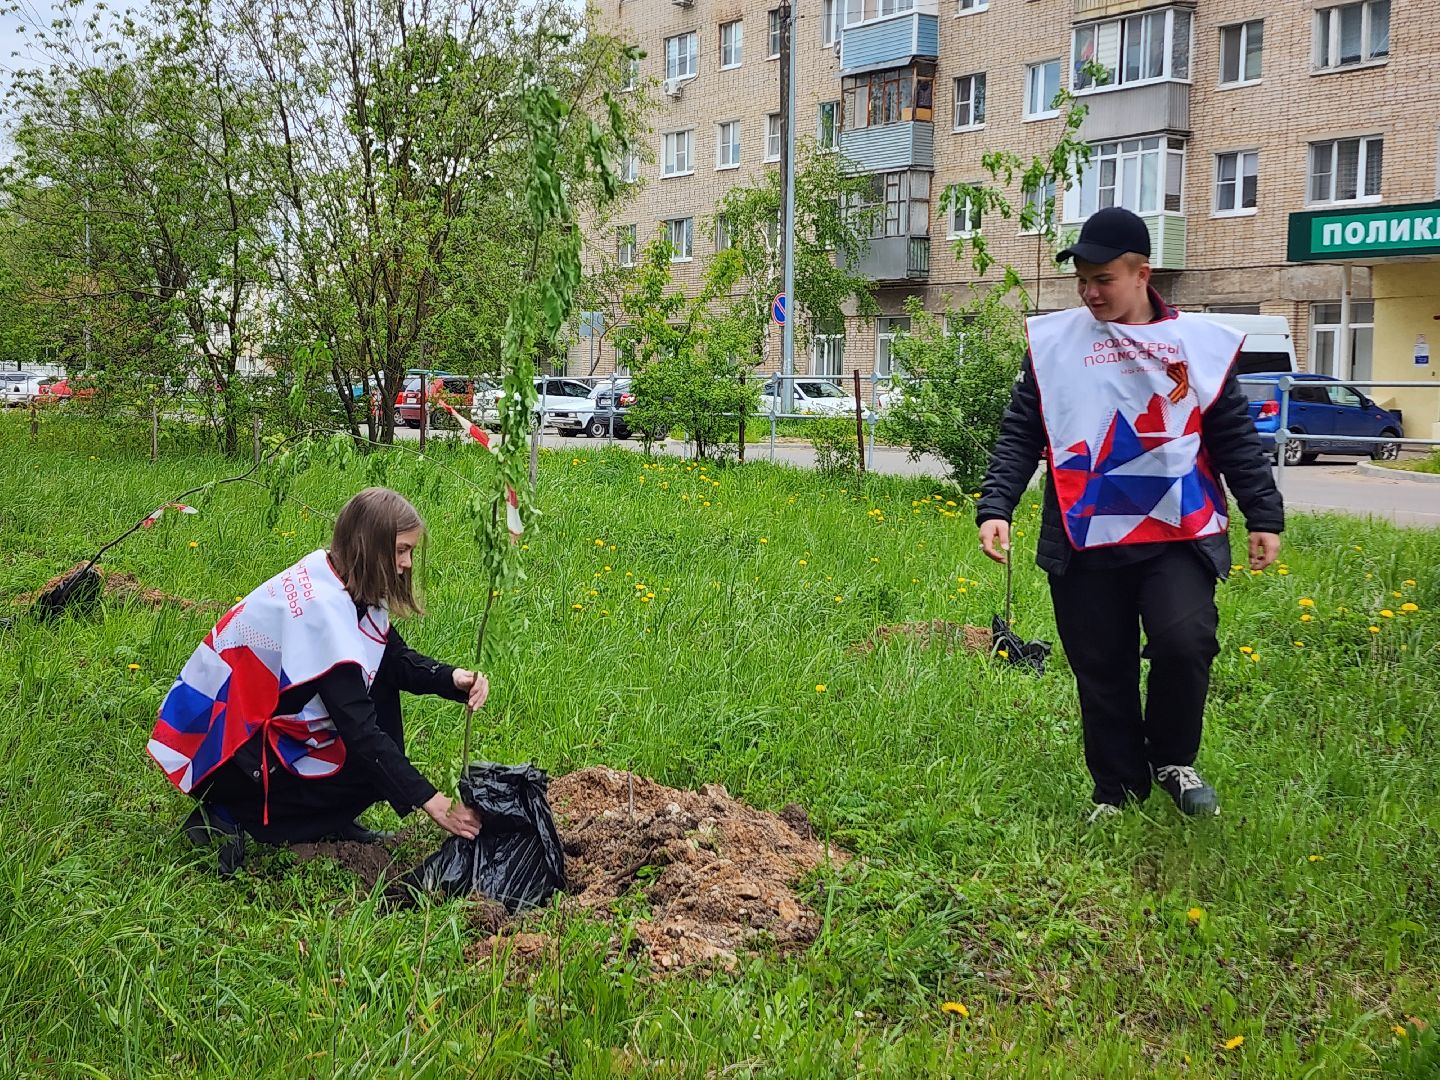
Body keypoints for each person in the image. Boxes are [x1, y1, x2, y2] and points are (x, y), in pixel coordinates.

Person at [975, 206, 1284, 823]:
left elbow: (1232, 437)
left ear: (1142, 273)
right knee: (1101, 664)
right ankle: (1117, 789)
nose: (1090, 293)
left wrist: (1263, 514)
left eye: (1103, 280)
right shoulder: (1057, 345)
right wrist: (996, 505)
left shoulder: (1193, 346)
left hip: (1177, 532)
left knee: (1185, 641)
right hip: (1084, 535)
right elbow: (1021, 431)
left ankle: (1172, 760)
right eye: (1081, 281)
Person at [147, 487, 486, 874]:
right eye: (400, 550)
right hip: (223, 746)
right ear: (368, 546)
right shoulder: (322, 611)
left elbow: (391, 658)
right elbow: (359, 731)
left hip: (247, 725)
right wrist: (435, 804)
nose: (407, 563)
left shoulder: (339, 576)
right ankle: (223, 815)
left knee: (381, 706)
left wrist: (452, 678)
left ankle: (325, 819)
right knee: (373, 754)